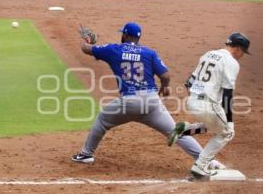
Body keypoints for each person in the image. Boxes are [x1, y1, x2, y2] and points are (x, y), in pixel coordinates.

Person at [71, 22, 213, 166]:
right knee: (176, 132)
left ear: (125, 35)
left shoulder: (114, 49)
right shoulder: (149, 53)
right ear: (138, 38)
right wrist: (165, 87)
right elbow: (165, 76)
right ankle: (207, 162)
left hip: (129, 102)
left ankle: (86, 154)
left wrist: (87, 40)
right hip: (152, 102)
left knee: (102, 120)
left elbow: (86, 49)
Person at [168, 32, 251, 177]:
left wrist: (196, 100)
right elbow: (227, 94)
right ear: (238, 48)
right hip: (207, 104)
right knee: (227, 132)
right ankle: (200, 166)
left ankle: (185, 129)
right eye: (243, 52)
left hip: (192, 101)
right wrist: (230, 121)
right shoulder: (232, 63)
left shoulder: (208, 54)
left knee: (216, 124)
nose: (242, 55)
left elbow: (189, 82)